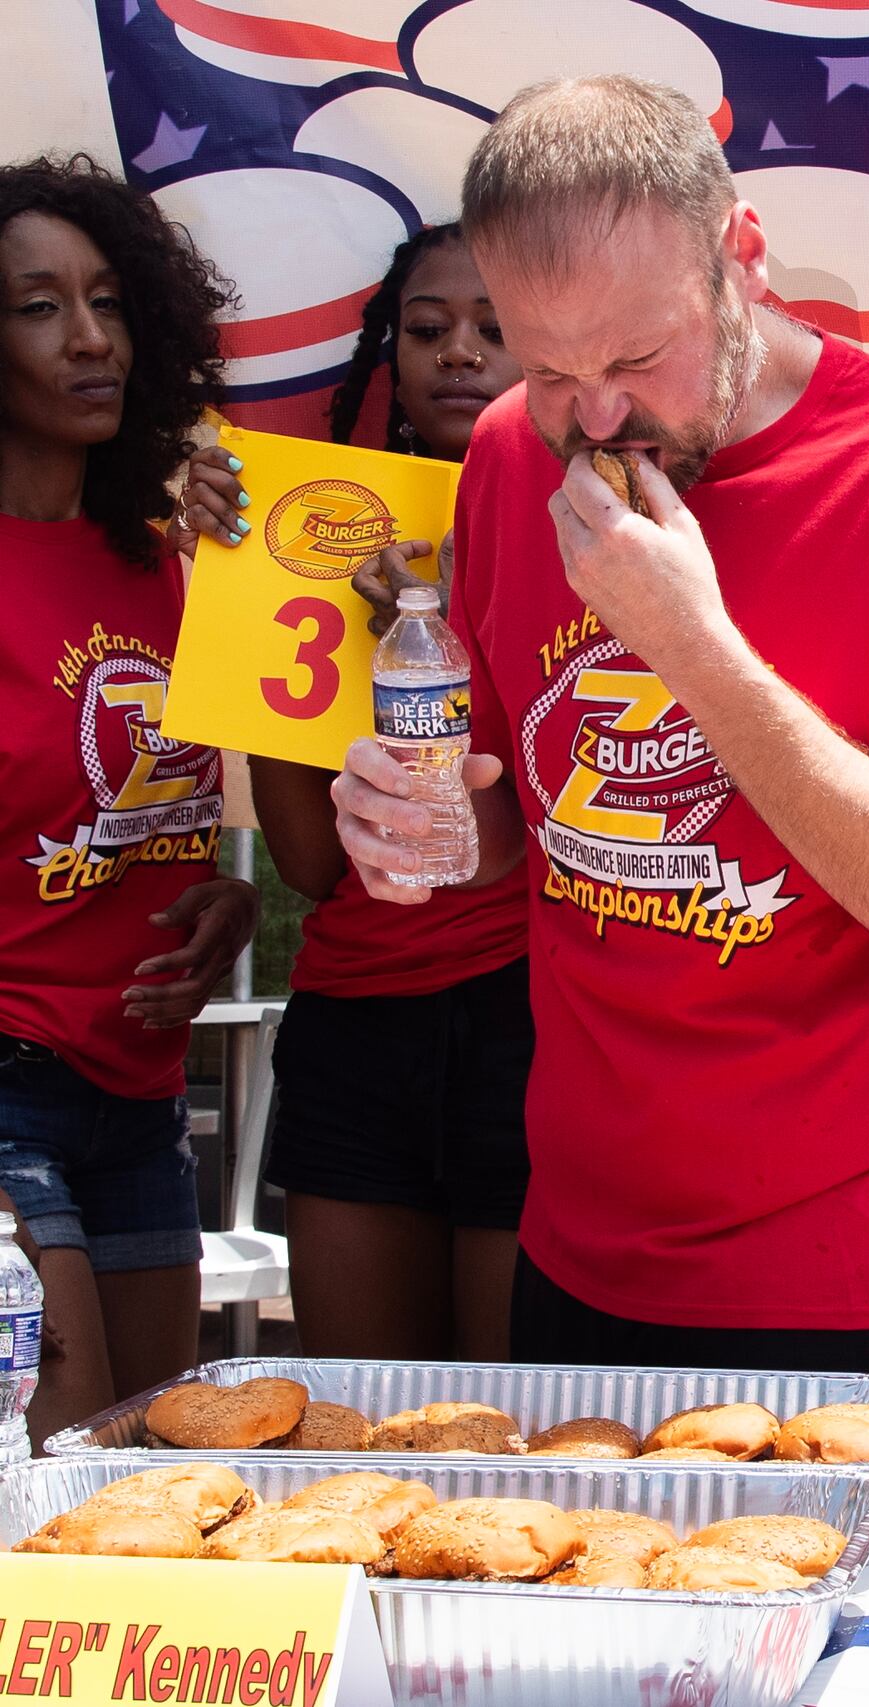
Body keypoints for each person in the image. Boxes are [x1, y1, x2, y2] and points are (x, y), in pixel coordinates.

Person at [328, 78, 869, 1482]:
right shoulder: (505, 458)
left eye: (637, 355)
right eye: (547, 368)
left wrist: (697, 648)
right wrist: (416, 819)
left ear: (745, 256)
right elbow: (513, 820)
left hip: (853, 1273)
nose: (596, 414)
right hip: (583, 1243)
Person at [179, 226, 533, 1361]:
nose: (459, 354)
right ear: (389, 351)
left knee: (511, 1437)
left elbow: (551, 832)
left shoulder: (597, 536)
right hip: (353, 1024)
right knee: (365, 1428)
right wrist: (248, 587)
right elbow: (307, 866)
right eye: (428, 331)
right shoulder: (313, 532)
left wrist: (431, 660)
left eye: (495, 329)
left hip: (532, 1018)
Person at [0, 155, 257, 1442]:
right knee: (57, 1462)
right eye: (38, 306)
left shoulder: (159, 568)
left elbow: (160, 819)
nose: (89, 337)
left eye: (107, 299)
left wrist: (229, 902)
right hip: (10, 1083)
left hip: (144, 1093)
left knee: (146, 1477)